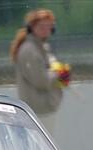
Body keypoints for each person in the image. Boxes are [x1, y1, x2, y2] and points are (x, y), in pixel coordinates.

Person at [9, 9, 71, 137]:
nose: (46, 30)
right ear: (32, 28)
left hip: (43, 107)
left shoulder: (41, 47)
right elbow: (41, 80)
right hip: (38, 109)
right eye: (41, 26)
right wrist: (60, 74)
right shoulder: (30, 50)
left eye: (49, 26)